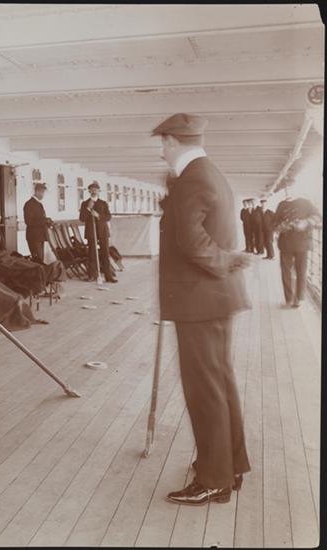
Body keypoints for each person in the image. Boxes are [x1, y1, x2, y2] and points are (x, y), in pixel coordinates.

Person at [152, 113, 252, 506]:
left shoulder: (193, 179)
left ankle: (213, 480)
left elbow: (193, 243)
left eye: (163, 143)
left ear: (174, 141)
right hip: (214, 300)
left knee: (205, 391)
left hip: (199, 301)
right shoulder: (209, 174)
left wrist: (229, 261)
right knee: (220, 384)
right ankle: (230, 466)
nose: (161, 151)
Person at [274, 190, 321, 308]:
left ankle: (299, 299)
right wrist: (281, 226)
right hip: (285, 244)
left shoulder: (306, 203)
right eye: (286, 188)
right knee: (285, 273)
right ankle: (289, 299)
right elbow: (273, 224)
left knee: (301, 272)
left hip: (302, 244)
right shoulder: (281, 205)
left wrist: (306, 222)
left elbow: (318, 217)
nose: (288, 190)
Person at [79, 181, 117, 283]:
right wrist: (88, 208)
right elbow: (82, 218)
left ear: (99, 191)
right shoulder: (84, 204)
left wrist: (98, 216)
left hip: (103, 232)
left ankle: (108, 276)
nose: (94, 191)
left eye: (95, 190)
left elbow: (108, 216)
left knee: (105, 253)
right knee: (92, 254)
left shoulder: (103, 203)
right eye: (92, 190)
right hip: (91, 232)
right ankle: (92, 275)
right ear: (89, 191)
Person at [23, 183, 51, 263]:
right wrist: (45, 221)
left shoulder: (39, 204)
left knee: (40, 260)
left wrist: (48, 221)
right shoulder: (29, 204)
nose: (43, 195)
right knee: (38, 260)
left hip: (40, 236)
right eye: (42, 192)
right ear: (37, 192)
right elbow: (29, 221)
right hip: (34, 237)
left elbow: (40, 218)